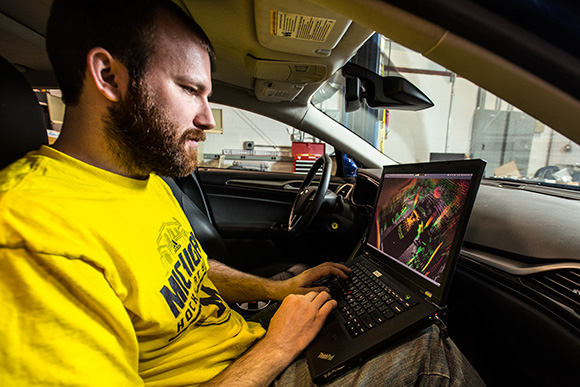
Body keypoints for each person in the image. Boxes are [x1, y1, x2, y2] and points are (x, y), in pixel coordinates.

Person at [0, 0, 485, 385]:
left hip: (243, 347)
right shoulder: (30, 231)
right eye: (191, 89)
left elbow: (185, 269)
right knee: (424, 351)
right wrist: (278, 346)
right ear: (109, 76)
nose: (209, 118)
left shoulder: (137, 176)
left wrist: (277, 290)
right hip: (241, 371)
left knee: (325, 287)